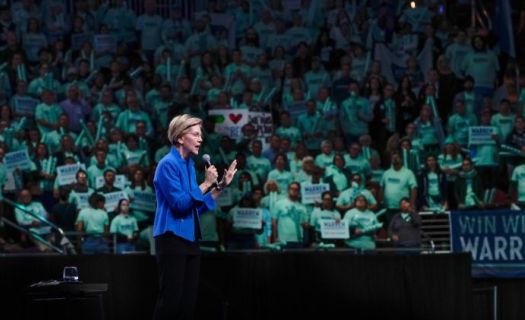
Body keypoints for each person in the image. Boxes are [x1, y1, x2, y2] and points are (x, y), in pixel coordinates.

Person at [152, 114, 237, 320]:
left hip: (190, 238)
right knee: (171, 300)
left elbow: (195, 207)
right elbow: (180, 204)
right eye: (196, 134)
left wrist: (220, 186)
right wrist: (207, 183)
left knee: (187, 302)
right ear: (180, 138)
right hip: (171, 237)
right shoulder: (167, 164)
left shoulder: (188, 164)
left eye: (201, 135)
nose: (200, 139)